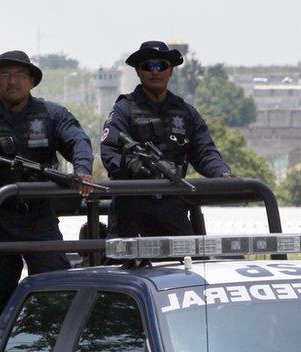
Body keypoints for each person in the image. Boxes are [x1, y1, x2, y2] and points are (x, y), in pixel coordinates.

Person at [0, 50, 95, 333]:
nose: (12, 82)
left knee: (58, 291)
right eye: (5, 75)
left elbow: (78, 141)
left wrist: (82, 169)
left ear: (32, 81)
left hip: (39, 219)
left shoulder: (51, 115)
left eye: (19, 75)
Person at [100, 41, 233, 238]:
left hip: (173, 206)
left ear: (170, 71)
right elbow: (109, 151)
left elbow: (205, 153)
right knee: (120, 266)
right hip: (131, 207)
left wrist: (224, 175)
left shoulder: (186, 112)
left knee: (189, 263)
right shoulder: (124, 109)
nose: (155, 72)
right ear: (138, 71)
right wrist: (132, 165)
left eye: (161, 66)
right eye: (148, 66)